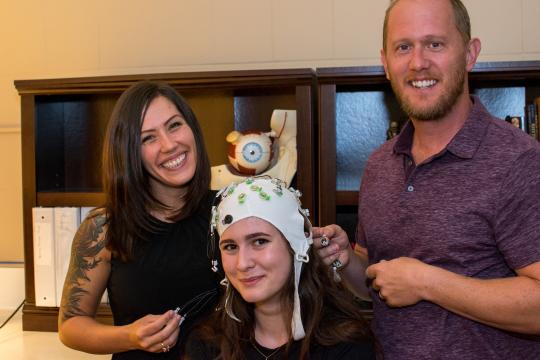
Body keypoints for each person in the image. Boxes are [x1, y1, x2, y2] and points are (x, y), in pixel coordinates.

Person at [314, 0, 540, 359]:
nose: (418, 62)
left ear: (470, 53)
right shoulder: (378, 165)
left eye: (435, 43)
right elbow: (375, 282)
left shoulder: (519, 160)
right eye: (403, 47)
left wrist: (427, 282)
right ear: (386, 63)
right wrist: (345, 260)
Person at [58, 81, 220, 359]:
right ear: (129, 152)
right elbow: (70, 326)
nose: (170, 145)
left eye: (174, 125)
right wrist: (130, 336)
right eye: (148, 138)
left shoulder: (231, 209)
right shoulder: (103, 229)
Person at [185, 177, 374, 360]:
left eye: (260, 241)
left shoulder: (346, 346)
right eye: (230, 247)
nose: (242, 263)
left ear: (296, 246)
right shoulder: (207, 345)